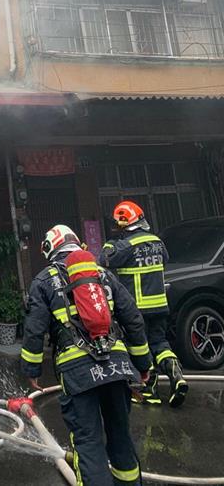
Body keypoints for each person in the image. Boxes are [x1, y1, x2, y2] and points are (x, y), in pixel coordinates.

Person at [21, 224, 152, 486]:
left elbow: (35, 329)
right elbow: (133, 319)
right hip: (117, 368)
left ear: (49, 248)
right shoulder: (103, 274)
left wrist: (32, 370)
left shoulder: (44, 280)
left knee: (88, 441)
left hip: (78, 373)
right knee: (121, 435)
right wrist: (142, 364)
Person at [99, 200, 188, 408]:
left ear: (123, 224)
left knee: (139, 347)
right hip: (160, 306)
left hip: (137, 309)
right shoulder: (158, 242)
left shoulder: (124, 246)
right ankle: (176, 375)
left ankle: (149, 390)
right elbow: (164, 261)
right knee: (160, 344)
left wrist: (110, 242)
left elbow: (104, 260)